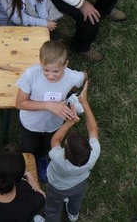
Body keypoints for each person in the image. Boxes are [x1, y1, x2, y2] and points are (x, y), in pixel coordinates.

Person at [15, 40, 86, 183]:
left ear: (65, 65)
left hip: (53, 125)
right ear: (40, 63)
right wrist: (49, 105)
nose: (50, 76)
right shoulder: (31, 75)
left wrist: (80, 94)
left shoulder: (71, 76)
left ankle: (41, 159)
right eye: (46, 70)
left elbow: (84, 76)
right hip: (30, 124)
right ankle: (25, 167)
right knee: (28, 147)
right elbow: (20, 103)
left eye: (56, 71)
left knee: (45, 146)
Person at [44, 81, 100, 222]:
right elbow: (93, 129)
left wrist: (70, 122)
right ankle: (73, 214)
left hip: (56, 187)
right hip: (79, 183)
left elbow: (55, 140)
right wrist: (85, 103)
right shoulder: (93, 154)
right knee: (76, 198)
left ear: (65, 153)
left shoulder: (58, 158)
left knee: (53, 208)